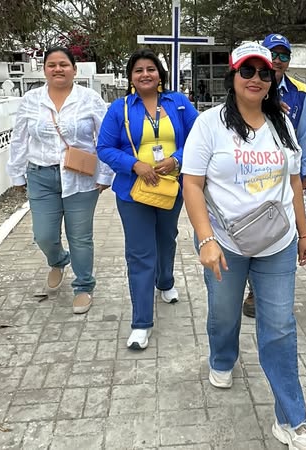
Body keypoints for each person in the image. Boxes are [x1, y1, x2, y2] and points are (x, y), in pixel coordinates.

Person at [182, 42, 306, 450]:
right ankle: (223, 358)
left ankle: (291, 419)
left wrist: (304, 234)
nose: (256, 79)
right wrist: (206, 239)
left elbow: (293, 183)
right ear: (233, 76)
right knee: (224, 313)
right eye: (247, 71)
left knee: (279, 327)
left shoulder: (282, 123)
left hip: (277, 242)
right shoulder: (209, 124)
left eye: (264, 72)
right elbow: (192, 184)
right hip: (225, 242)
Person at [97, 49, 198, 350]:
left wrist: (177, 159)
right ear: (131, 77)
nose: (145, 74)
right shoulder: (120, 108)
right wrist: (134, 165)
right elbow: (104, 147)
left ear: (159, 74)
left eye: (150, 69)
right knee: (140, 253)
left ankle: (165, 282)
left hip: (170, 187)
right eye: (138, 70)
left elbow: (199, 138)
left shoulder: (178, 103)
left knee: (166, 239)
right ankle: (141, 323)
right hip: (134, 192)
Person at [7, 46, 112, 315]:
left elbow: (105, 137)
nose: (58, 69)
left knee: (80, 237)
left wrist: (105, 174)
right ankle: (58, 260)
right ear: (44, 70)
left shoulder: (89, 98)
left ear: (74, 69)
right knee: (44, 235)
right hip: (41, 175)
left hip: (80, 178)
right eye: (51, 65)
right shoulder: (31, 99)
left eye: (63, 64)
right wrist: (16, 173)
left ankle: (83, 285)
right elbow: (19, 138)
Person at [241, 33, 306, 318]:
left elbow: (304, 135)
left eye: (284, 55)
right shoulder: (249, 85)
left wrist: (304, 172)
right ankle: (253, 289)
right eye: (274, 54)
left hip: (287, 175)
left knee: (283, 228)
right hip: (254, 172)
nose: (279, 60)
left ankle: (271, 287)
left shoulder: (298, 92)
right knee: (255, 227)